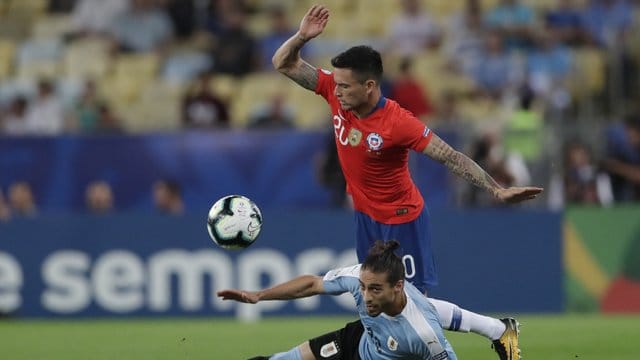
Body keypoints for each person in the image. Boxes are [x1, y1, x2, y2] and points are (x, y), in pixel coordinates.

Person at [272, 5, 543, 359]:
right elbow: (283, 63)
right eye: (334, 84)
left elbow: (450, 156)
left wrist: (495, 189)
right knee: (380, 298)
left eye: (344, 86)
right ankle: (498, 329)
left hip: (402, 220)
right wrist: (302, 37)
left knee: (413, 303)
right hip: (366, 218)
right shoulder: (333, 91)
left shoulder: (398, 122)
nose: (335, 92)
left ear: (369, 86)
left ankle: (498, 330)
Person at [218, 240, 457, 360]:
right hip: (356, 344)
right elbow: (312, 284)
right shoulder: (357, 277)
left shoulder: (423, 333)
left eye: (374, 289)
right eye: (363, 287)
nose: (365, 297)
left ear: (398, 287)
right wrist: (258, 295)